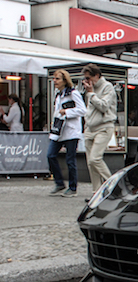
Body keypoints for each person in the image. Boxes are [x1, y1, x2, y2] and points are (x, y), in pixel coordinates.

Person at [48, 69, 87, 197]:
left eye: (57, 79)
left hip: (71, 131)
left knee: (70, 160)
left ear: (65, 80)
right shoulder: (58, 95)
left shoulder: (73, 93)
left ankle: (72, 187)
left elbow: (82, 110)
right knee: (50, 155)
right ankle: (59, 183)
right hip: (59, 130)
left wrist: (67, 112)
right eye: (54, 79)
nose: (55, 81)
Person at [82, 63, 117, 193]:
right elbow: (90, 109)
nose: (87, 81)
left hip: (103, 127)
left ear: (96, 75)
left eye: (88, 78)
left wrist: (91, 94)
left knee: (95, 158)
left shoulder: (107, 87)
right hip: (90, 128)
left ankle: (113, 184)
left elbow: (103, 106)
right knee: (90, 163)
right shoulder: (90, 88)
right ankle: (96, 192)